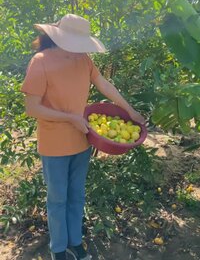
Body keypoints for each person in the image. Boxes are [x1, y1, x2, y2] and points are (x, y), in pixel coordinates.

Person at [21, 14, 145, 260]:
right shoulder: (41, 61)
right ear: (61, 40)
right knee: (57, 199)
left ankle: (75, 242)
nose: (81, 51)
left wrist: (130, 111)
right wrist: (70, 118)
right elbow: (32, 108)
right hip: (54, 144)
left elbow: (105, 85)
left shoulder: (84, 61)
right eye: (77, 46)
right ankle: (58, 249)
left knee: (76, 195)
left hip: (82, 140)